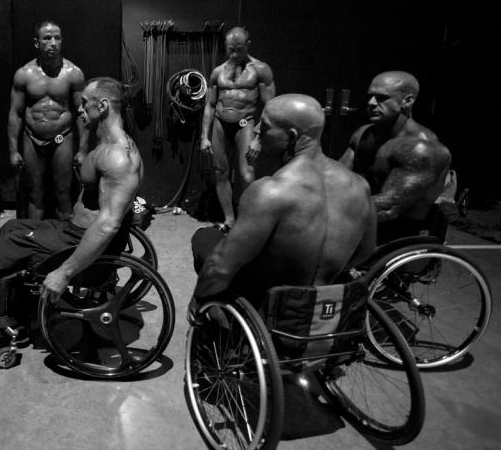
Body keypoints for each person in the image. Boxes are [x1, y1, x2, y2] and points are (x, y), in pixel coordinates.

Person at [0, 76, 142, 345]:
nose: (80, 110)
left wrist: (64, 273)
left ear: (105, 106)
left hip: (80, 241)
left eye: (86, 104)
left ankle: (10, 322)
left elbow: (108, 225)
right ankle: (20, 311)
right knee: (11, 227)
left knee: (13, 241)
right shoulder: (106, 146)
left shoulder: (117, 158)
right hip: (73, 230)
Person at [190, 94, 376, 317]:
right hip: (322, 299)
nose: (257, 130)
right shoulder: (359, 185)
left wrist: (197, 299)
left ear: (291, 137)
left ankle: (221, 329)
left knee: (204, 239)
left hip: (271, 299)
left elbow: (220, 267)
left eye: (266, 126)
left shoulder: (270, 192)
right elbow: (365, 252)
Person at [339, 70, 452, 244]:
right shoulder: (364, 134)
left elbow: (387, 207)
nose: (370, 103)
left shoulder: (421, 150)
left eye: (381, 98)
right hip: (360, 225)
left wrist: (328, 213)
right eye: (370, 96)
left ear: (407, 101)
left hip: (395, 235)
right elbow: (336, 177)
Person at [8, 21, 89, 220]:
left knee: (63, 192)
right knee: (35, 194)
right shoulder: (24, 74)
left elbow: (82, 113)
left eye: (57, 38)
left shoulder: (73, 74)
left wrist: (84, 149)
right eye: (47, 38)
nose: (53, 42)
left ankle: (66, 244)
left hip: (62, 137)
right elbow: (15, 113)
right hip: (32, 139)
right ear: (36, 43)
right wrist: (13, 150)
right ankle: (35, 241)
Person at [199, 26, 275, 230]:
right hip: (220, 124)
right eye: (230, 49)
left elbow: (270, 106)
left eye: (238, 50)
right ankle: (229, 219)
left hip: (245, 124)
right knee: (220, 171)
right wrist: (203, 137)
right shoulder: (218, 72)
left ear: (247, 46)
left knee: (247, 174)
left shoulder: (260, 70)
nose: (233, 54)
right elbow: (210, 105)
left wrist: (259, 137)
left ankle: (248, 218)